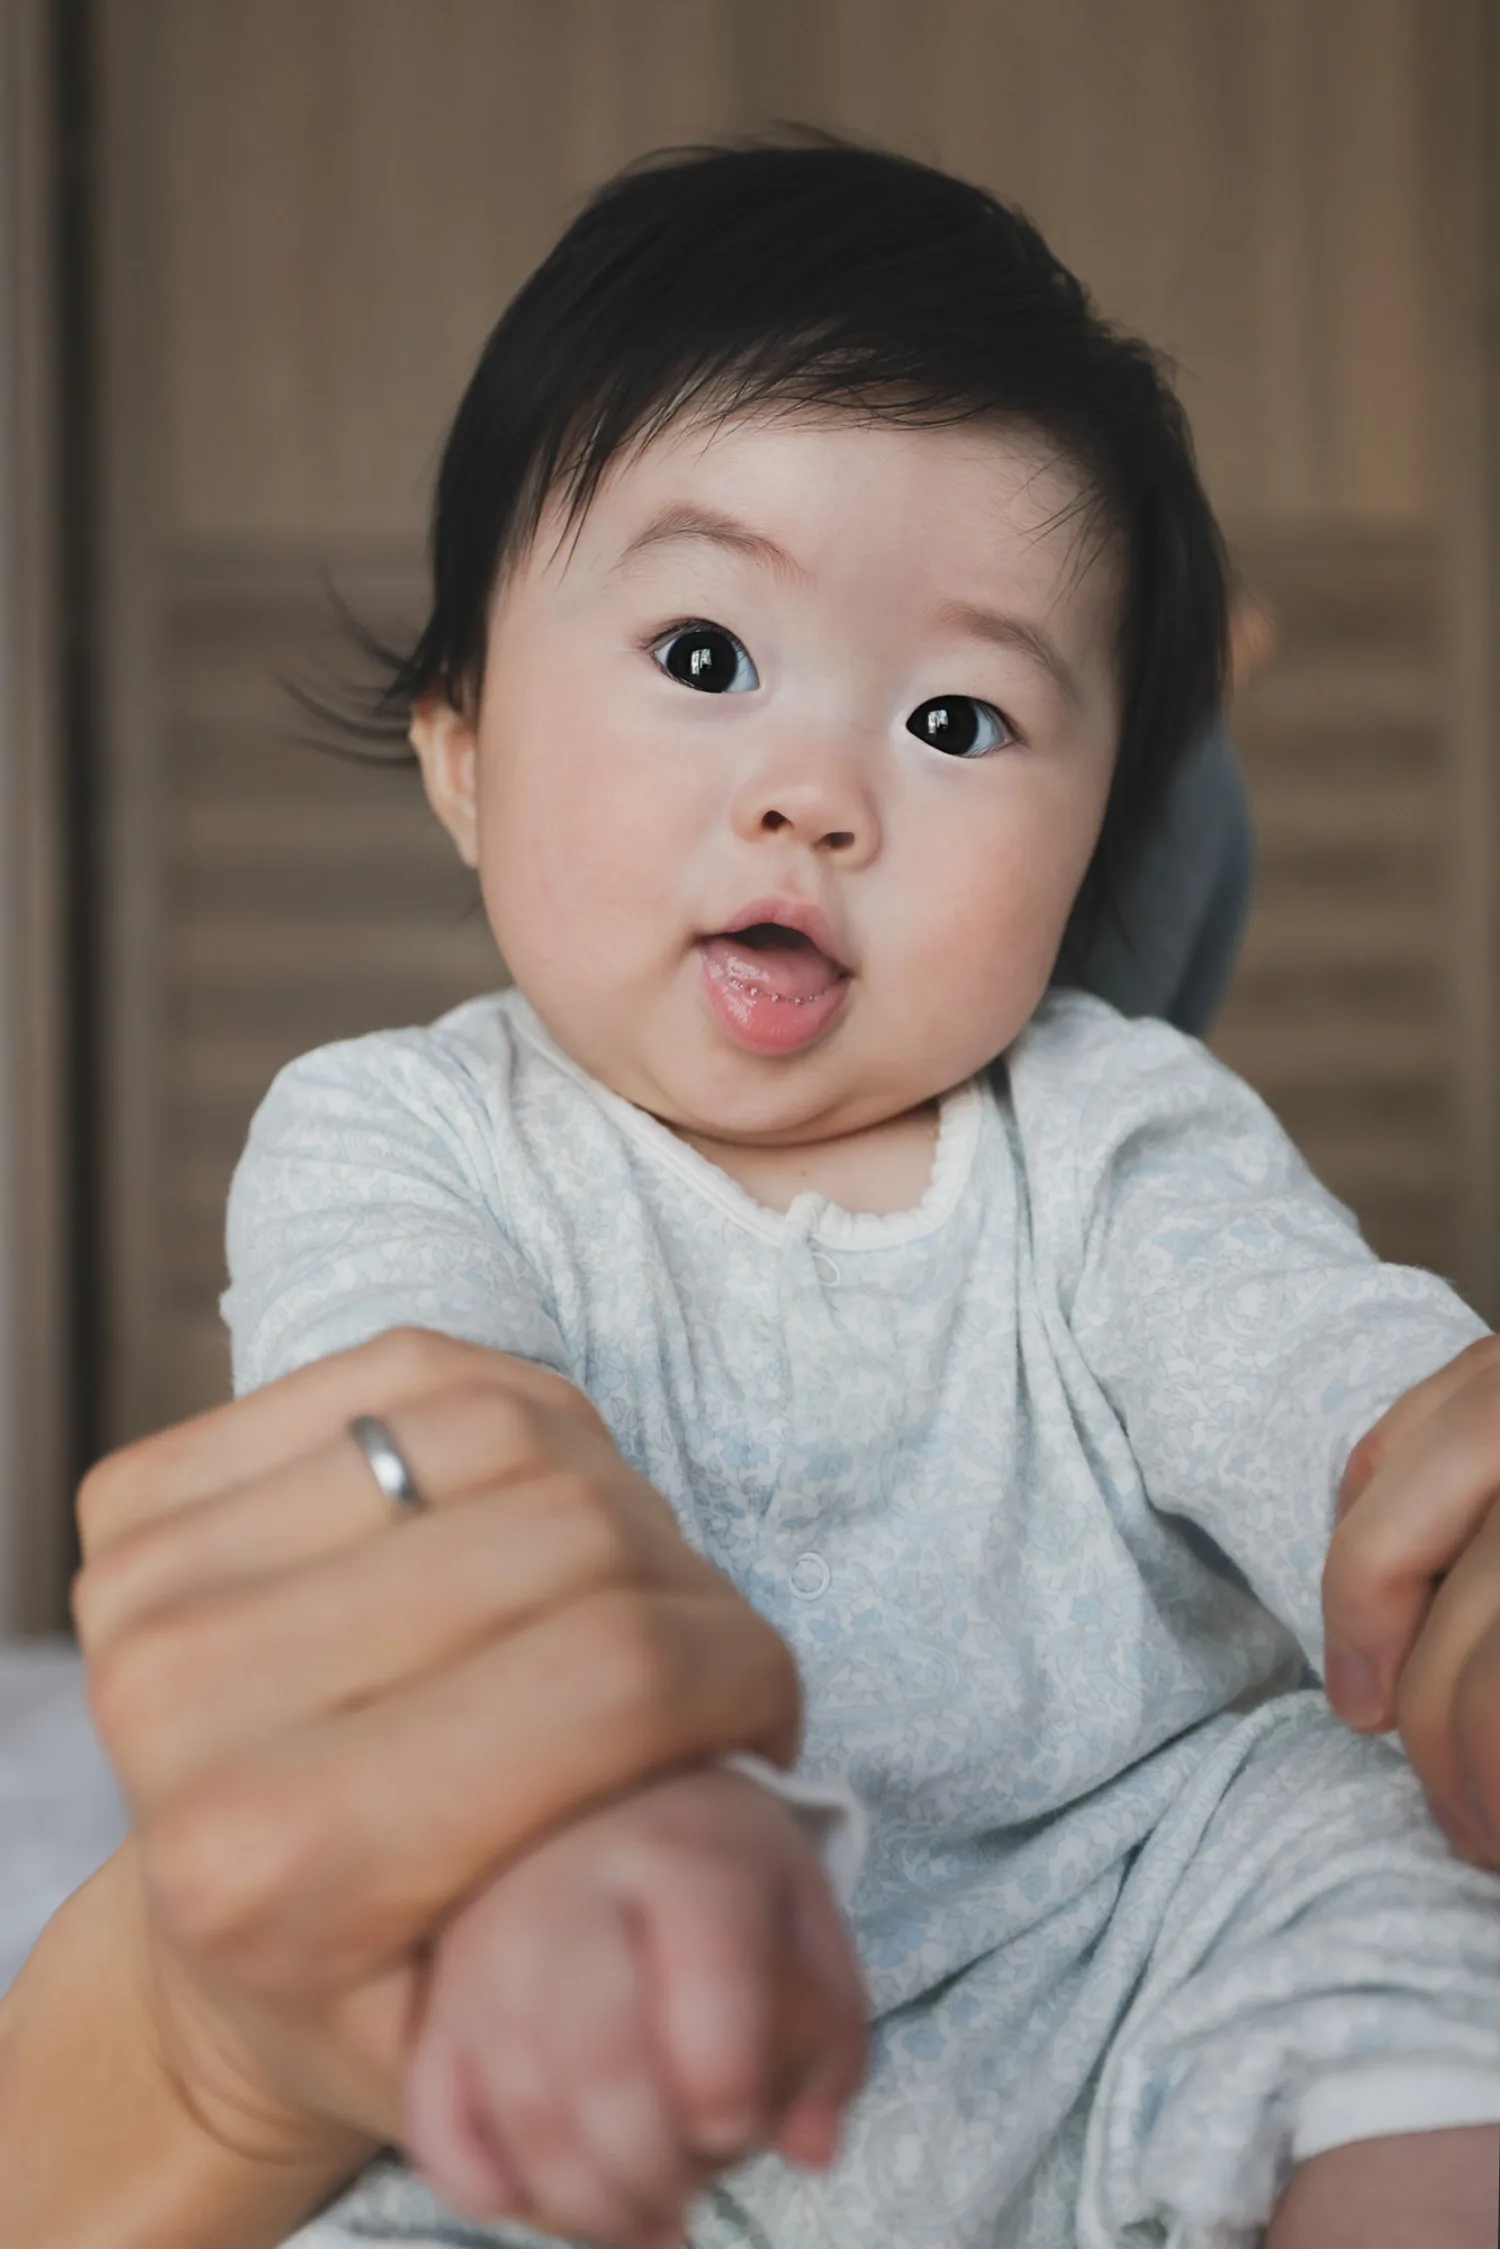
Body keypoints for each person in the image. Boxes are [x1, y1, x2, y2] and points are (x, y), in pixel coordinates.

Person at [5, 133, 1500, 2249]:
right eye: (706, 658)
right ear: (461, 750)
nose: (817, 792)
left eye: (959, 717)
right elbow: (421, 1459)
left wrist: (1434, 1523)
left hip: (1128, 1935)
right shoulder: (399, 1134)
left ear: (1098, 855)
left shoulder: (1106, 1122)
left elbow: (1311, 1373)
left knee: (1391, 1893)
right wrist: (567, 1805)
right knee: (409, 2086)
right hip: (621, 1951)